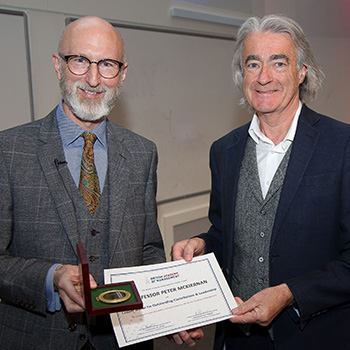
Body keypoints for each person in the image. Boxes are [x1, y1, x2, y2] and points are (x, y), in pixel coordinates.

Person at [171, 14, 350, 350]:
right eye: (253, 64)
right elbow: (226, 236)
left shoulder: (342, 145)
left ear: (301, 72)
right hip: (239, 339)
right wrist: (201, 245)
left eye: (278, 63)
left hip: (314, 336)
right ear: (242, 76)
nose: (264, 77)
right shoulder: (224, 150)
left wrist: (288, 294)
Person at [0, 16, 166, 350]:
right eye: (80, 61)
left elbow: (149, 250)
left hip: (124, 339)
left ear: (122, 73)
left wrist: (171, 312)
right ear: (57, 65)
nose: (93, 79)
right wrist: (51, 278)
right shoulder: (8, 151)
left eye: (106, 64)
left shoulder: (142, 153)